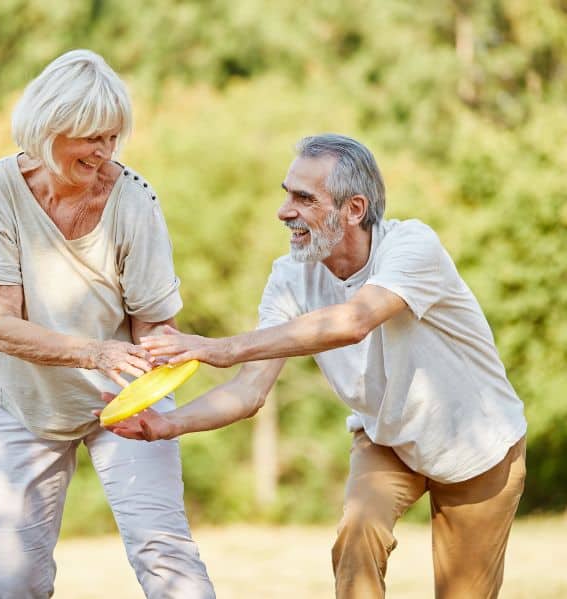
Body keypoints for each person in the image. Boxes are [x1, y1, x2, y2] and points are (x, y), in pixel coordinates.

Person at [105, 134, 527, 598]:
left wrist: (219, 348)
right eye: (286, 193)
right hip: (388, 439)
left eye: (304, 198)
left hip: (478, 444)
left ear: (354, 209)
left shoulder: (412, 247)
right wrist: (167, 424)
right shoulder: (289, 279)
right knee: (357, 533)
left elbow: (354, 321)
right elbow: (249, 393)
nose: (284, 211)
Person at [0, 49, 215, 599]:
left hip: (125, 397)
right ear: (49, 129)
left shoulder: (134, 200)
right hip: (22, 402)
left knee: (164, 553)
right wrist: (94, 353)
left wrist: (158, 360)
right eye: (91, 138)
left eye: (114, 137)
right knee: (15, 580)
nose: (105, 153)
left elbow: (155, 326)